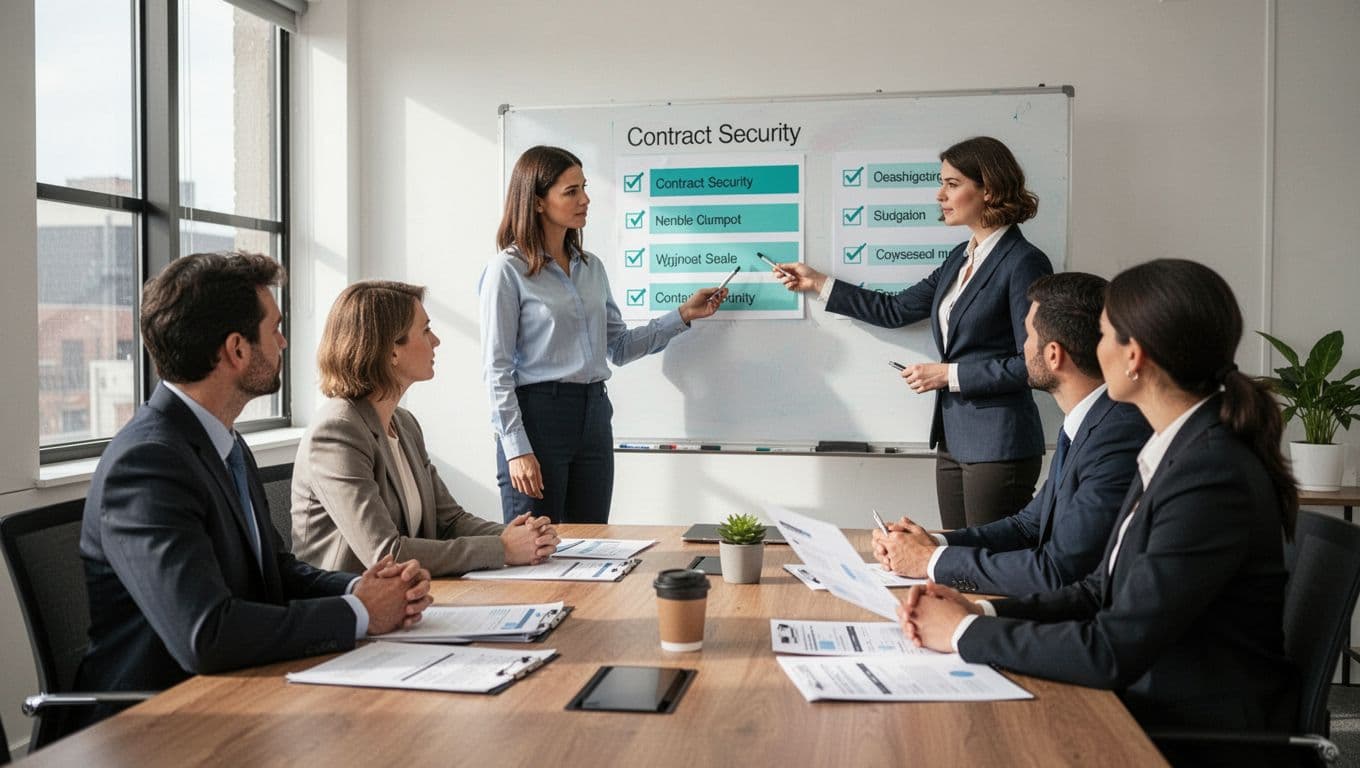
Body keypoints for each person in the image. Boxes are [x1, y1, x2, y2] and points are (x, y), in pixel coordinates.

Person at [898, 259, 1298, 766]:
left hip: (1192, 732)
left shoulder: (1209, 474)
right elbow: (1098, 592)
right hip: (1148, 701)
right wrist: (981, 612)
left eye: (1104, 335)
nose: (1094, 347)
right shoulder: (1178, 448)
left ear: (1133, 356)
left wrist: (961, 633)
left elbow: (1113, 649)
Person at [76, 253, 432, 719]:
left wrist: (361, 588)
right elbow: (207, 633)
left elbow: (273, 574)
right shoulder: (148, 463)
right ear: (237, 350)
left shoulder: (225, 443)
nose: (283, 342)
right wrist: (359, 613)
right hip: (158, 720)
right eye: (275, 329)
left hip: (243, 693)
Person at [774, 136, 1052, 529]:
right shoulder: (960, 257)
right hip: (953, 440)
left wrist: (948, 375)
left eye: (952, 184)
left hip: (1000, 444)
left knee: (989, 565)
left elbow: (1036, 364)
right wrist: (818, 282)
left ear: (987, 189)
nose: (940, 194)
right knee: (955, 563)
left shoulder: (1024, 262)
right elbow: (896, 309)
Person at [480, 145, 727, 524]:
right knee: (536, 551)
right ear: (538, 202)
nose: (585, 199)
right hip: (539, 417)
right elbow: (496, 370)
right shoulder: (508, 271)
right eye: (571, 191)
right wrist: (515, 449)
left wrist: (683, 315)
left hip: (594, 415)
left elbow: (620, 346)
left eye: (584, 187)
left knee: (593, 544)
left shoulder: (590, 267)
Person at [871, 272, 1150, 596]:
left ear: (1054, 355)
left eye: (1027, 335)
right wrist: (933, 544)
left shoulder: (1118, 435)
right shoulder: (1089, 421)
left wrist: (931, 561)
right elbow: (1028, 526)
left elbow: (1058, 571)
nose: (1021, 347)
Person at [292, 280, 560, 577]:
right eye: (426, 330)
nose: (436, 341)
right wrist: (503, 549)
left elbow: (448, 521)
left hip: (408, 598)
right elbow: (386, 553)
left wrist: (520, 535)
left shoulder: (404, 424)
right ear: (391, 351)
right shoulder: (337, 432)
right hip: (348, 608)